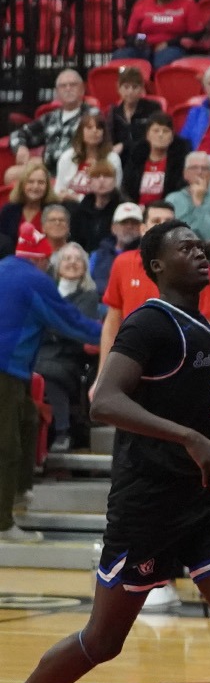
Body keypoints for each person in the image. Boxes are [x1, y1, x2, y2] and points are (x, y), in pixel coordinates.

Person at [0, 222, 210, 683]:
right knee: (102, 642)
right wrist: (189, 439)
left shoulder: (201, 325)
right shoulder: (150, 324)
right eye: (185, 247)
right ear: (155, 266)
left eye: (200, 245)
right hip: (149, 508)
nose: (200, 252)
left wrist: (207, 447)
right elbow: (103, 401)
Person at [0, 227, 103, 542]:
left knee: (29, 419)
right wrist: (115, 335)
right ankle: (3, 524)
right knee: (7, 444)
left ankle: (18, 494)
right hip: (6, 370)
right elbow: (69, 321)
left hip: (14, 371)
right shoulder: (36, 281)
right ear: (44, 259)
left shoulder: (4, 268)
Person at [99, 201, 210, 363]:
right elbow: (112, 322)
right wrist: (102, 373)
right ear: (143, 229)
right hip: (132, 361)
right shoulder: (122, 264)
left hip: (180, 364)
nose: (162, 228)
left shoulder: (195, 267)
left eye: (168, 223)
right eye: (156, 221)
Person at [36, 243, 105, 454]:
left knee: (48, 373)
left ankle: (62, 432)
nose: (72, 263)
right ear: (57, 266)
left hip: (71, 359)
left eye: (78, 260)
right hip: (40, 353)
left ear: (85, 268)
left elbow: (79, 330)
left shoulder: (89, 296)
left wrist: (51, 326)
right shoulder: (45, 291)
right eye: (67, 259)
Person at [8, 68, 93, 180]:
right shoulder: (50, 118)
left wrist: (41, 162)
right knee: (11, 174)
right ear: (57, 92)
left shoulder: (92, 115)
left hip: (74, 170)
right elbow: (18, 134)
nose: (68, 89)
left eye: (73, 85)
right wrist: (20, 148)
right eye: (63, 86)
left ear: (82, 89)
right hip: (46, 170)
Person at [117, 0, 206, 67]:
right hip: (144, 47)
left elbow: (196, 34)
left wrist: (169, 43)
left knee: (162, 61)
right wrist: (143, 39)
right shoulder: (142, 4)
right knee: (120, 56)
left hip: (173, 47)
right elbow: (131, 35)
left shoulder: (188, 4)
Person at [122, 111, 187, 208]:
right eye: (156, 130)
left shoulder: (179, 163)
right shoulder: (136, 159)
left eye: (165, 131)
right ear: (148, 135)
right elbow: (126, 190)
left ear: (172, 137)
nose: (160, 135)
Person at [165, 152, 210, 244]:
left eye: (205, 168)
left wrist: (198, 204)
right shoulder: (173, 199)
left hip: (205, 252)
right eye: (194, 168)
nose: (199, 172)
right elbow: (168, 233)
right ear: (185, 174)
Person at [54, 112, 119, 201]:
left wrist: (76, 197)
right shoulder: (67, 157)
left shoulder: (112, 158)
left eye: (99, 128)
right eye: (89, 127)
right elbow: (59, 191)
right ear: (81, 132)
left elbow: (113, 194)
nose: (94, 131)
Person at [106, 65, 164, 154]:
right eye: (126, 87)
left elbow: (154, 138)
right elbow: (109, 140)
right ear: (118, 88)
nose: (130, 92)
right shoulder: (114, 112)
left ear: (141, 89)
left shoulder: (153, 108)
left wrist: (124, 146)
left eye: (135, 87)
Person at [0, 161, 56, 256]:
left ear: (47, 186)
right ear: (22, 185)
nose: (35, 186)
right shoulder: (8, 211)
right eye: (30, 182)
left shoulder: (54, 210)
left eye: (41, 182)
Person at [90, 203, 144, 291]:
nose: (129, 226)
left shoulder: (146, 255)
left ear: (141, 228)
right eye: (124, 222)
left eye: (134, 223)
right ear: (113, 228)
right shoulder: (97, 255)